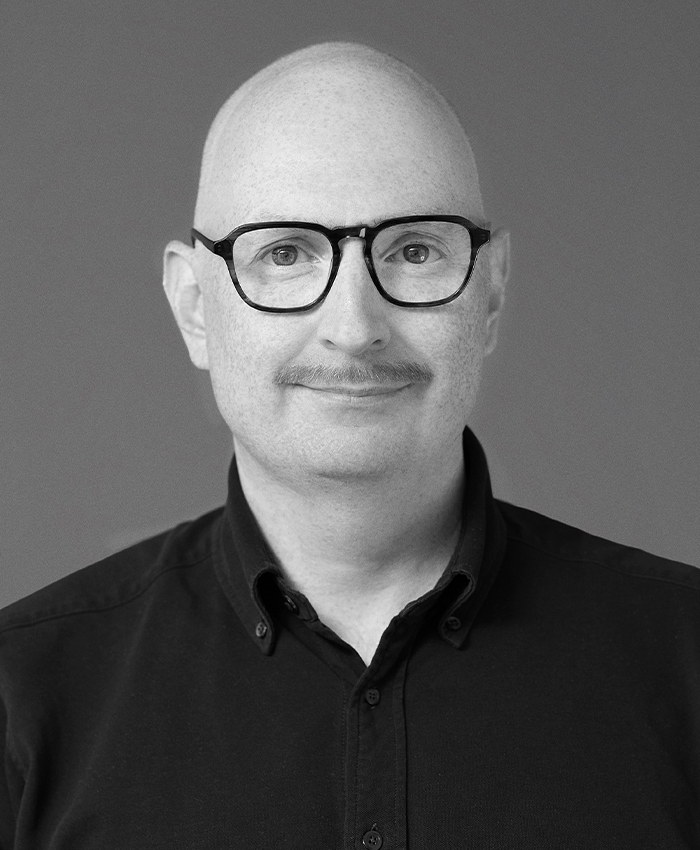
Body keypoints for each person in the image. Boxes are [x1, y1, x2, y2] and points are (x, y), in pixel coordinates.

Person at [0, 41, 698, 849]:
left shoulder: (684, 660)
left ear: (491, 291)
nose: (355, 327)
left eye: (414, 251)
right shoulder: (23, 697)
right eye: (286, 253)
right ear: (195, 306)